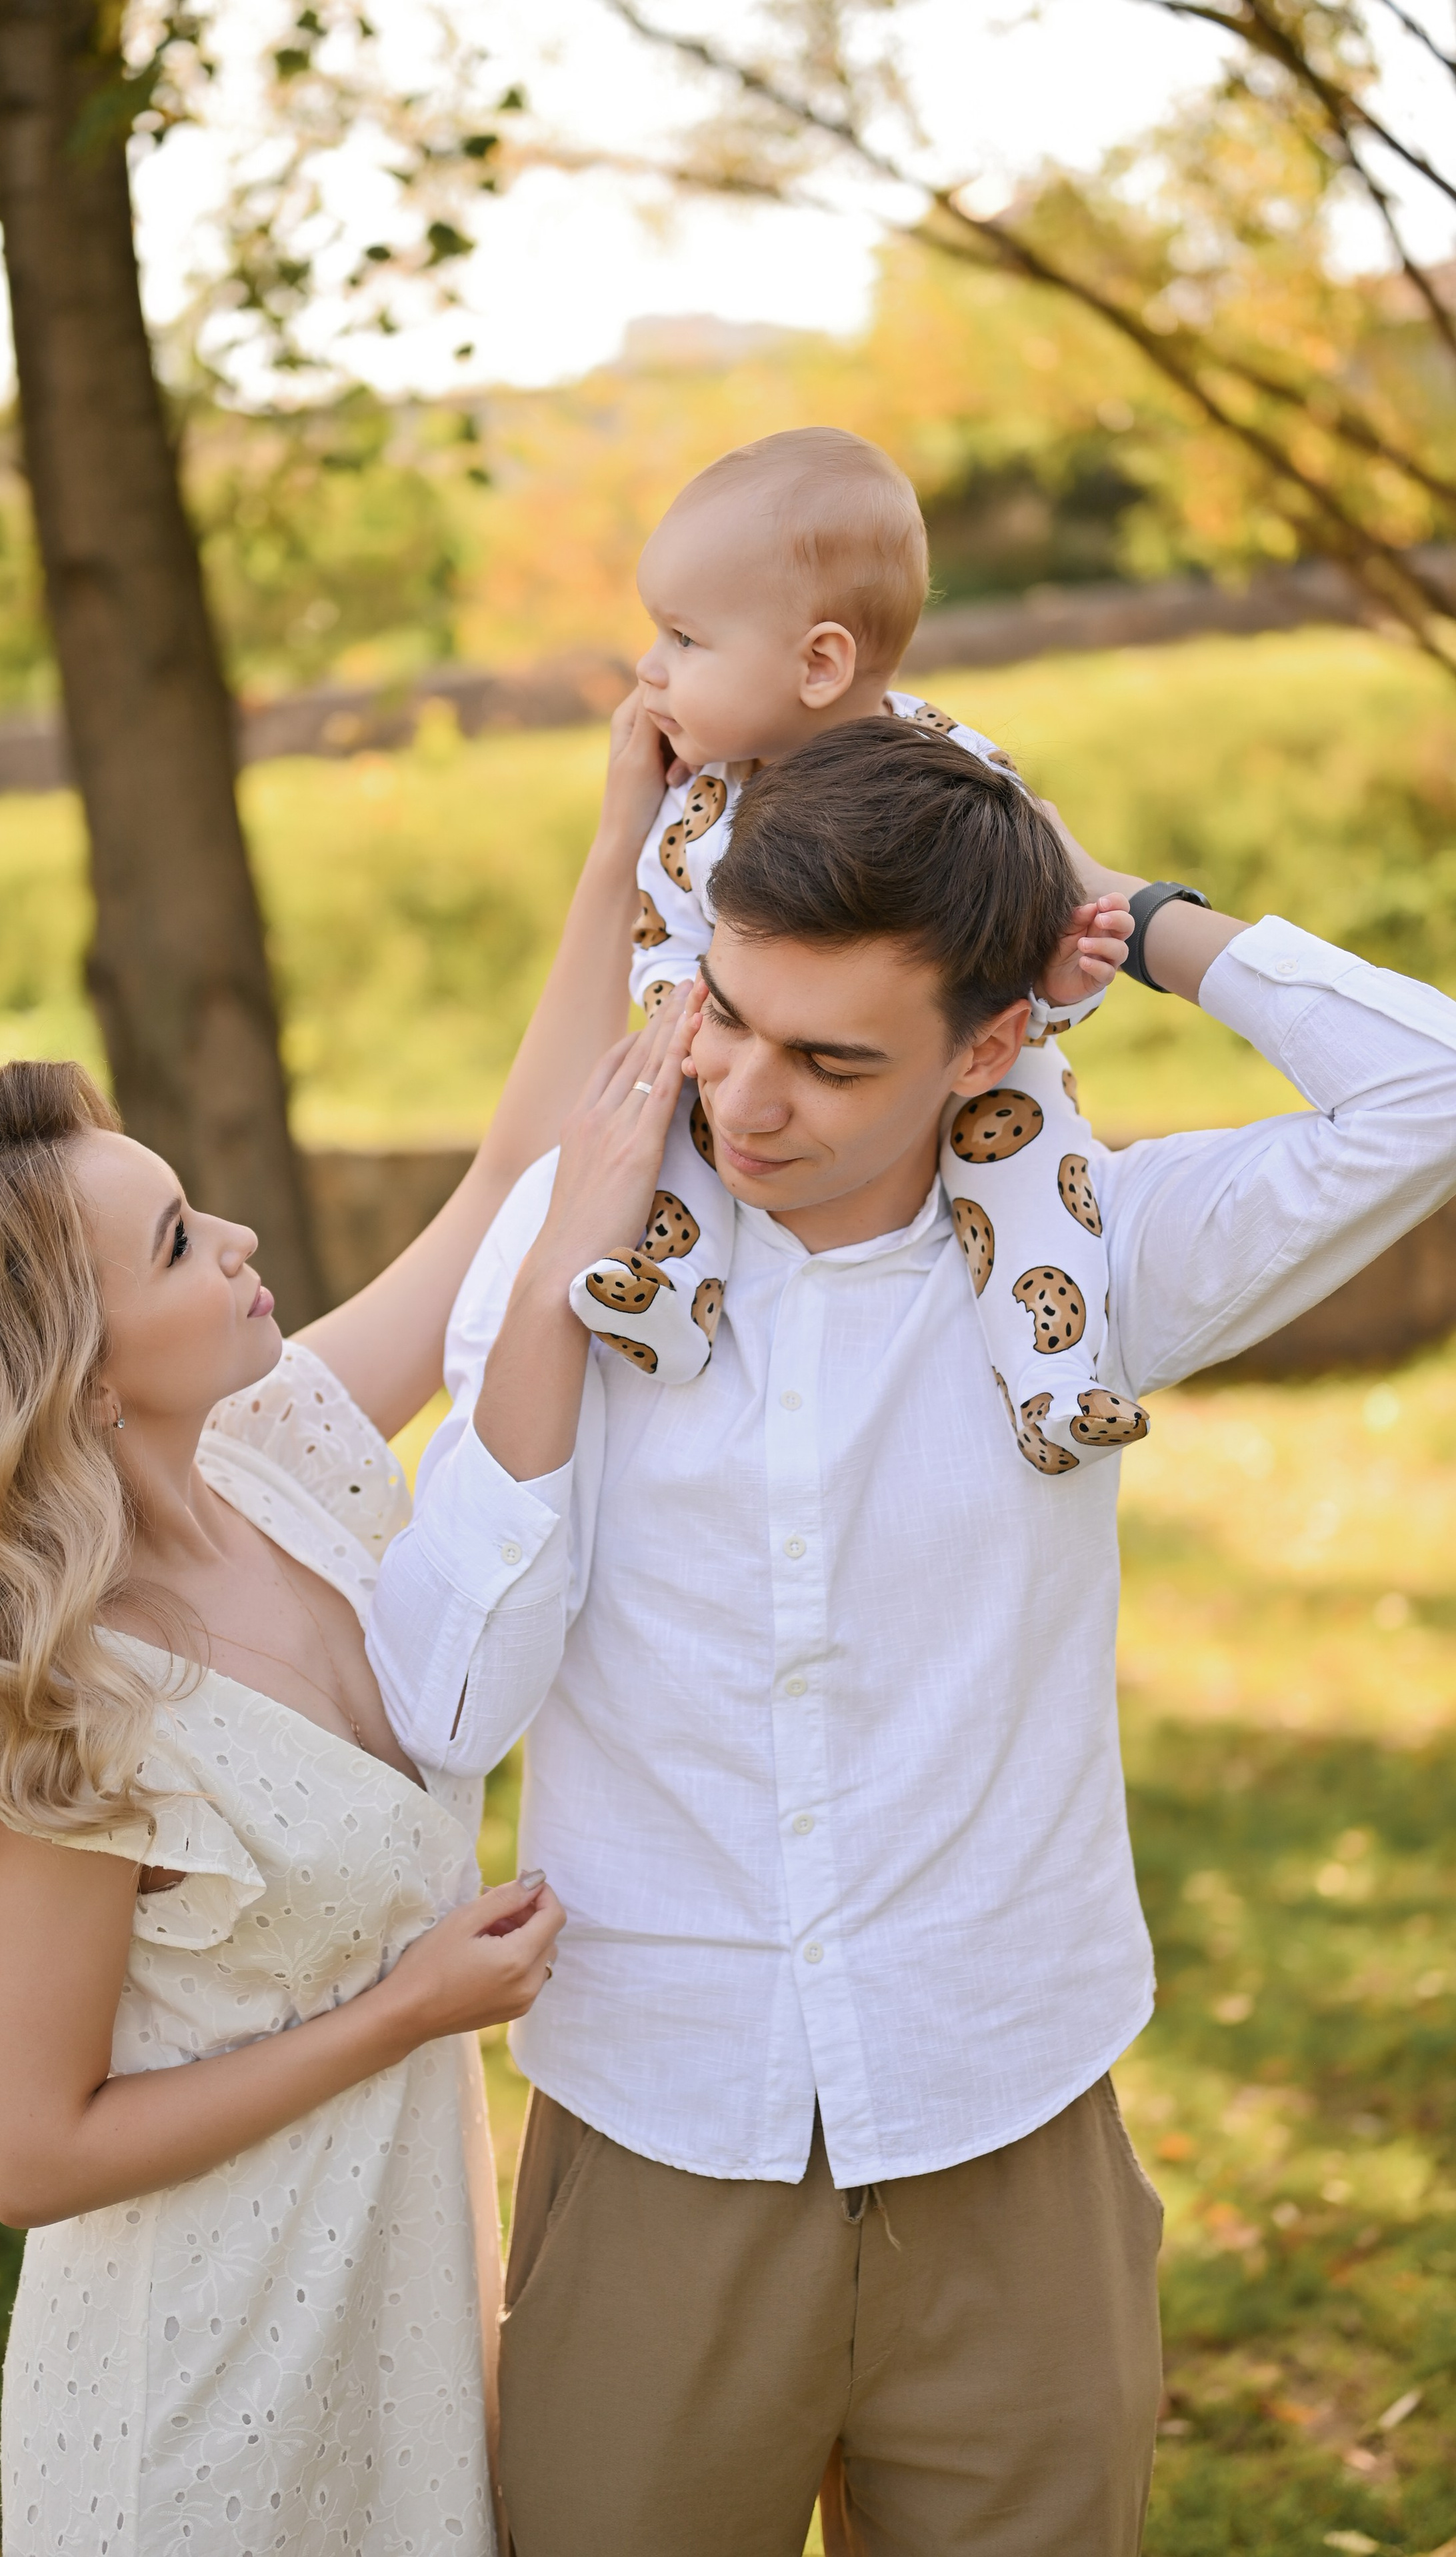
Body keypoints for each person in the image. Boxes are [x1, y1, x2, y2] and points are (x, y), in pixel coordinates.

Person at [367, 715, 1456, 2556]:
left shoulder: (1091, 1267)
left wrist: (1122, 908)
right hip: (659, 2130)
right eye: (725, 1015)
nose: (746, 1098)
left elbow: (1428, 1090)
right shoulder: (585, 1267)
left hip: (1008, 2119)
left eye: (831, 1058)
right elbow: (452, 1702)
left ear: (992, 1043)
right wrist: (561, 1286)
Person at [0, 695, 677, 2557]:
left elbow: (500, 1194)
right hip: (198, 2411)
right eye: (178, 1241)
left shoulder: (281, 1455)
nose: (242, 1237)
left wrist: (621, 860)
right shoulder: (58, 1715)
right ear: (73, 1385)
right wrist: (409, 2006)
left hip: (390, 2329)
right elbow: (33, 2153)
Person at [569, 425, 1145, 1471]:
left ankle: (1059, 1378)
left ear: (822, 662)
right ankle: (665, 1289)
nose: (649, 672)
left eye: (686, 642)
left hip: (971, 1057)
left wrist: (1059, 987)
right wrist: (683, 1010)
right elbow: (665, 933)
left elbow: (1008, 957)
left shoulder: (957, 782)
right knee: (686, 1115)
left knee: (1040, 1161)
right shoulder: (699, 808)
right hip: (739, 1053)